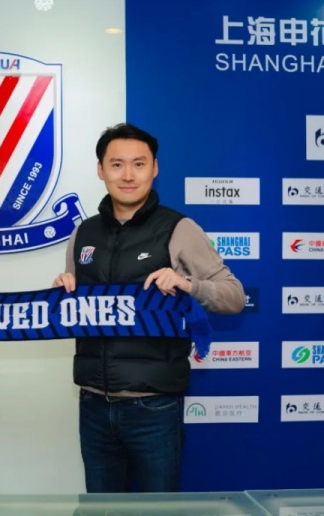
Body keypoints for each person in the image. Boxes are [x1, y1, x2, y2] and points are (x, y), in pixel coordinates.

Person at [52, 123, 244, 493]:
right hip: (93, 403)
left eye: (138, 164)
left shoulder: (179, 228)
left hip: (154, 407)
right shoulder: (83, 233)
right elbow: (76, 309)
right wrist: (63, 292)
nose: (128, 175)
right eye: (117, 164)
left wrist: (187, 283)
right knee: (102, 511)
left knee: (160, 510)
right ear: (100, 170)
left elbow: (234, 296)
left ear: (154, 168)